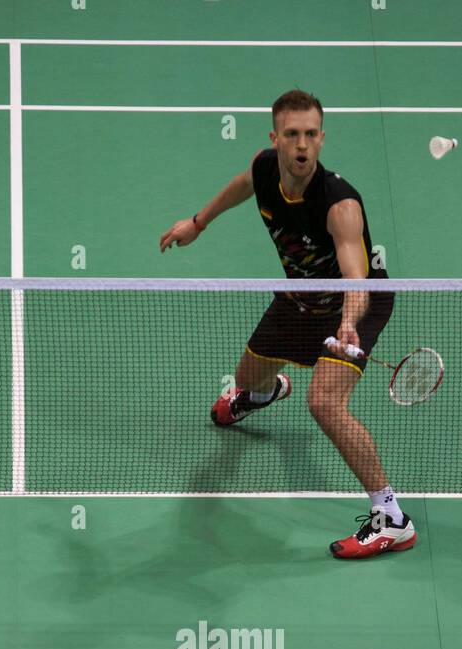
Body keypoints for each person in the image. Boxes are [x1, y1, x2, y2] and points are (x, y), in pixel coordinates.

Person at [159, 87, 416, 560]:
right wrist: (200, 221)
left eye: (312, 135)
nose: (302, 145)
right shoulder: (264, 167)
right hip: (299, 299)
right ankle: (266, 392)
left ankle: (392, 517)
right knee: (244, 378)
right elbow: (243, 185)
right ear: (275, 138)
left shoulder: (340, 205)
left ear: (322, 139)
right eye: (293, 134)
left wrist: (350, 324)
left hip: (355, 305)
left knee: (325, 402)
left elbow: (355, 275)